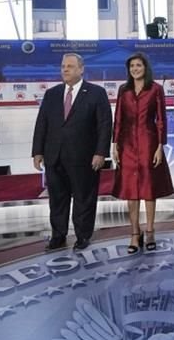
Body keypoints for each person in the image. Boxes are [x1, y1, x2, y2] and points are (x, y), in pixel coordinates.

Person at [32, 53, 113, 251]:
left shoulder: (96, 93)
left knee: (84, 198)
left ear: (81, 69)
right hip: (54, 156)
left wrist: (101, 152)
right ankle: (58, 236)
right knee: (57, 199)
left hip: (84, 157)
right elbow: (42, 123)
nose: (65, 70)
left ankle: (83, 235)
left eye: (69, 66)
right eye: (63, 66)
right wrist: (37, 151)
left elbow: (104, 125)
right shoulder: (52, 94)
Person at [112, 52, 174, 253]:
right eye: (132, 66)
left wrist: (159, 146)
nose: (135, 69)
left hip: (149, 142)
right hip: (127, 144)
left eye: (138, 65)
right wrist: (115, 144)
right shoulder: (124, 90)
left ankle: (150, 232)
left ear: (145, 68)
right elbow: (118, 119)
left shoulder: (156, 89)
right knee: (131, 190)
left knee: (148, 189)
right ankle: (134, 233)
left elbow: (161, 120)